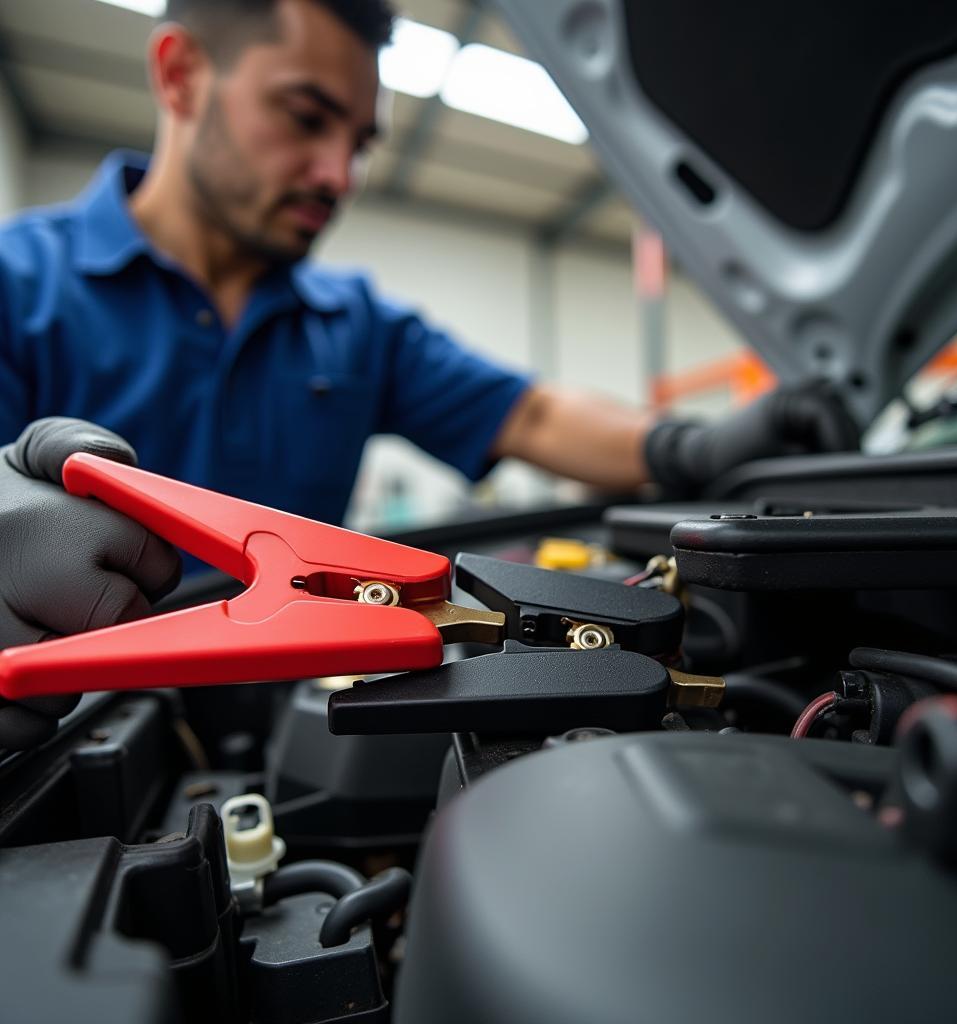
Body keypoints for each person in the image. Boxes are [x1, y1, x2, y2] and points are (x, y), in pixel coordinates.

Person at [0, 0, 858, 746]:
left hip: (305, 718)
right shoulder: (18, 285)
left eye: (360, 141)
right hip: (75, 745)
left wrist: (692, 447)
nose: (340, 174)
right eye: (306, 117)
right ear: (181, 74)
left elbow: (532, 416)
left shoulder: (359, 324)